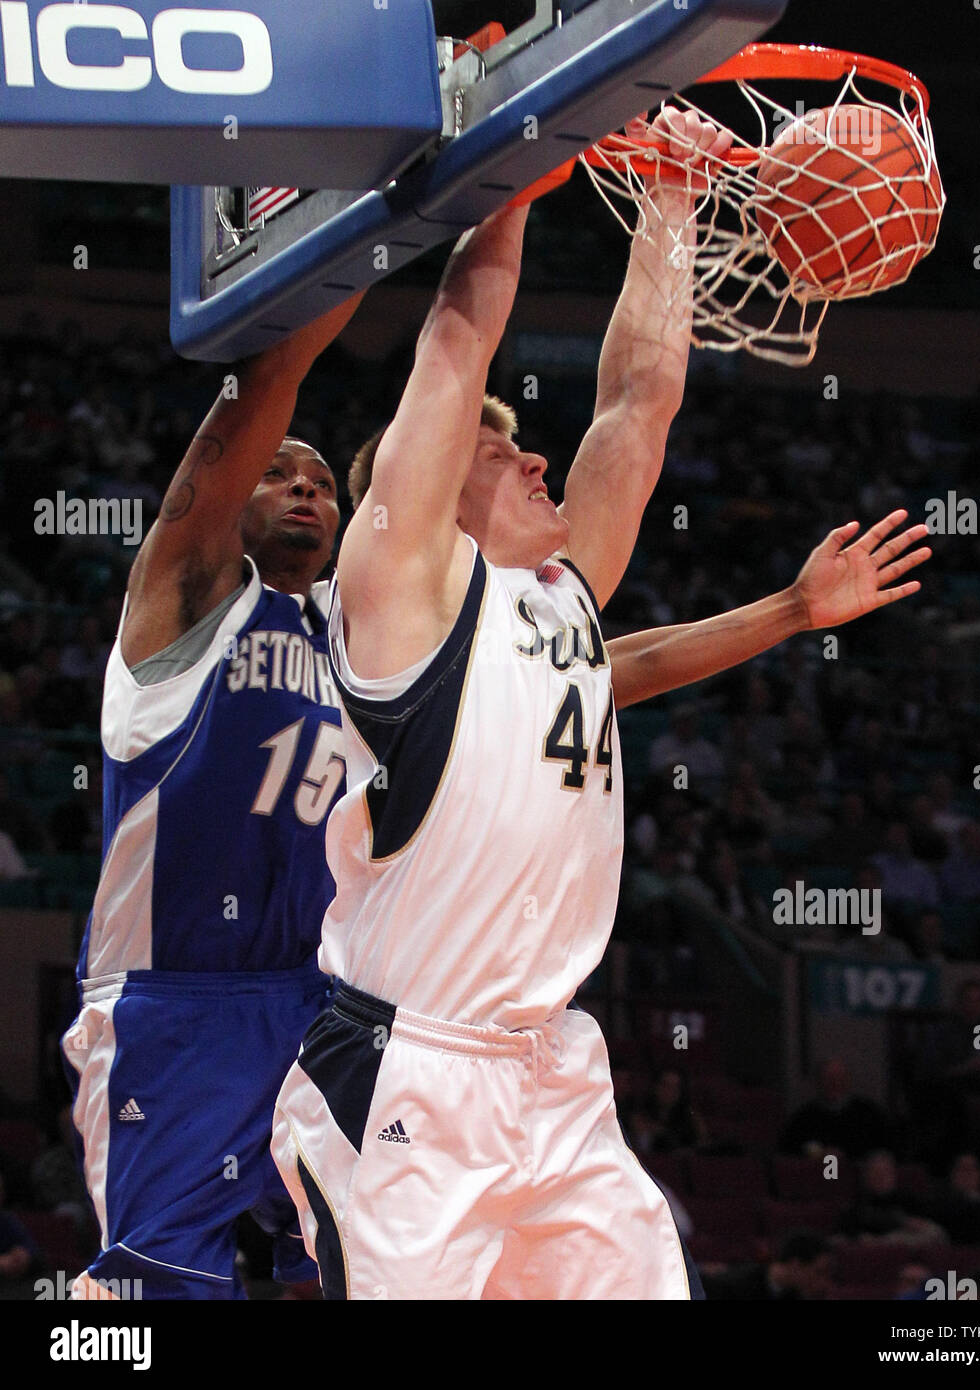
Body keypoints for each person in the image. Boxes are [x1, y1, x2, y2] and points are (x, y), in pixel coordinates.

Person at [272, 103, 932, 1300]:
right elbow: (454, 349)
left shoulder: (558, 602)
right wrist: (519, 158)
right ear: (426, 494)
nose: (535, 460)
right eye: (500, 452)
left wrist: (670, 203)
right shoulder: (402, 589)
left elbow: (635, 407)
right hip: (410, 1067)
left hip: (555, 1068)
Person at [60, 292, 365, 1299]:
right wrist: (362, 225)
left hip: (322, 1001)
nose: (305, 489)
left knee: (357, 1273)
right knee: (148, 1296)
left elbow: (564, 675)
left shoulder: (362, 646)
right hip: (175, 1004)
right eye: (278, 472)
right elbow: (258, 392)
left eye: (323, 481)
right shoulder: (186, 590)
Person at [702, 1231, 833, 1301]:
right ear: (796, 1265)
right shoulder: (731, 1286)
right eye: (818, 1272)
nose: (824, 1283)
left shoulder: (793, 1294)